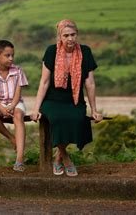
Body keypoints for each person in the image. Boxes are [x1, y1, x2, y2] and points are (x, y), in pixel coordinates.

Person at [30, 19, 102, 176]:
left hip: (75, 100)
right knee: (57, 119)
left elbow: (90, 84)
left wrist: (94, 110)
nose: (70, 39)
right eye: (66, 35)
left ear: (77, 35)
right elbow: (44, 82)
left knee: (78, 119)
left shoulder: (85, 52)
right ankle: (67, 158)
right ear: (60, 37)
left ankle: (57, 158)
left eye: (73, 35)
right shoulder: (51, 51)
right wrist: (35, 108)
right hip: (52, 100)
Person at [0, 40, 29, 172]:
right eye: (7, 55)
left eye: (12, 55)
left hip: (15, 102)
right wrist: (2, 108)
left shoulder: (18, 71)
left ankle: (19, 158)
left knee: (18, 116)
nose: (11, 58)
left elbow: (18, 94)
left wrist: (12, 106)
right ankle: (11, 138)